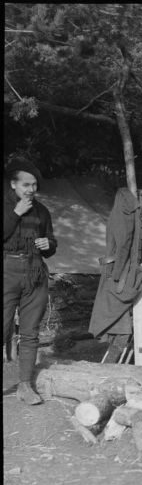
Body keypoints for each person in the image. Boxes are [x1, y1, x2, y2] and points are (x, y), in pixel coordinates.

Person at [4, 158, 57, 405]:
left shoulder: (42, 210)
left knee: (30, 333)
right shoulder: (6, 206)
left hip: (35, 273)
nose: (31, 190)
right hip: (6, 271)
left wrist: (49, 245)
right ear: (13, 184)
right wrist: (15, 213)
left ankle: (24, 386)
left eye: (34, 185)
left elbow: (51, 243)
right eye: (26, 184)